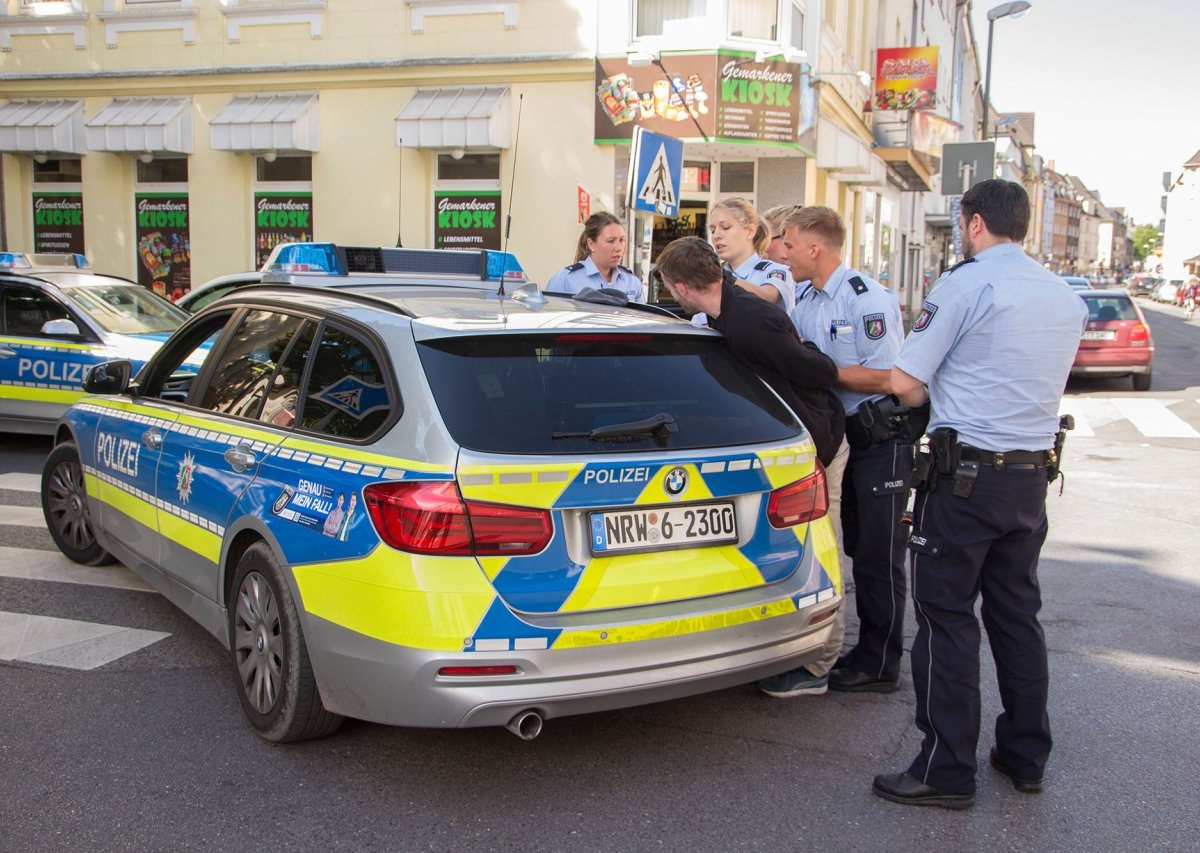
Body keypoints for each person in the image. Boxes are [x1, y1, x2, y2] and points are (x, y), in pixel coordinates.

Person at [873, 179, 1087, 809]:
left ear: (971, 224)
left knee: (945, 619)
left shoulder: (967, 283)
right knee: (1018, 616)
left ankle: (945, 770)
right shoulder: (1062, 294)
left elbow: (906, 382)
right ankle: (1024, 755)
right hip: (1030, 476)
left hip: (965, 478)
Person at [654, 237, 846, 696]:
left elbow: (820, 372)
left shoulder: (750, 322)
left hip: (817, 443)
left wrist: (812, 354)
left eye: (669, 289)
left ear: (682, 286)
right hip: (786, 446)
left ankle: (819, 665)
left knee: (822, 551)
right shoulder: (726, 311)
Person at [780, 206, 918, 696]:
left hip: (878, 438)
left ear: (815, 248)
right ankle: (865, 649)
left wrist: (821, 370)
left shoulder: (865, 298)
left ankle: (881, 663)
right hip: (838, 439)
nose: (784, 252)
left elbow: (889, 377)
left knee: (880, 555)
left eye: (790, 244)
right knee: (857, 548)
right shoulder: (809, 300)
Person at [708, 198, 796, 312]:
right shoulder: (717, 273)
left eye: (725, 227)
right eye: (713, 230)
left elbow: (767, 297)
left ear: (750, 231)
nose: (716, 236)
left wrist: (725, 278)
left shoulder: (775, 270)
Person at [546, 212, 642, 301]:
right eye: (610, 241)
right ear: (591, 244)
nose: (618, 248)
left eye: (621, 240)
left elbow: (642, 317)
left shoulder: (631, 281)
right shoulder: (565, 280)